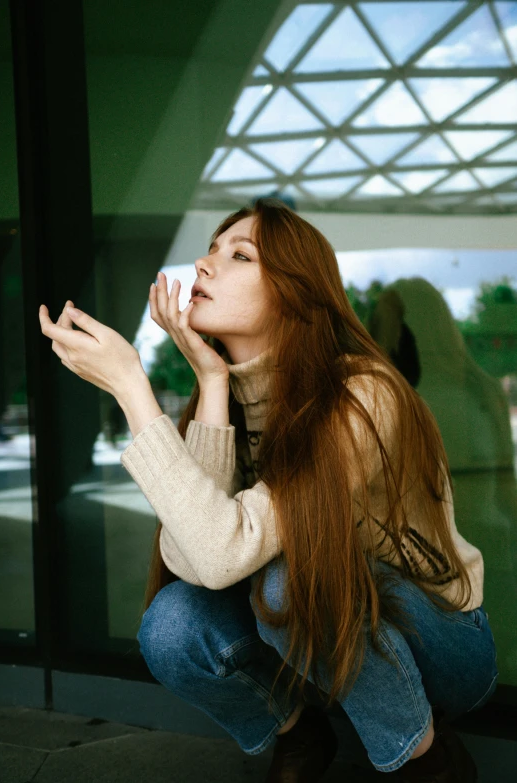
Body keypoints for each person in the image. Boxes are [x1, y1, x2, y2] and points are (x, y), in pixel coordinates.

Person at [40, 198, 497, 782]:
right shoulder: (225, 393)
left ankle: (428, 758)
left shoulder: (362, 394)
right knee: (173, 623)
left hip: (443, 643)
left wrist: (133, 387)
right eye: (210, 250)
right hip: (323, 636)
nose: (204, 265)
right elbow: (197, 562)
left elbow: (234, 553)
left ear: (295, 291)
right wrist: (210, 382)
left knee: (291, 579)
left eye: (238, 255)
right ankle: (300, 733)